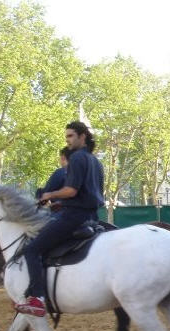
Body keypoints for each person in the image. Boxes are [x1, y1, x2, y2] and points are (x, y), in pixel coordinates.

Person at [15, 121, 104, 316]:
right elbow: (87, 194)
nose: (68, 140)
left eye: (71, 136)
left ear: (82, 136)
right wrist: (60, 204)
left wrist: (48, 196)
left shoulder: (78, 158)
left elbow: (71, 190)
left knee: (32, 249)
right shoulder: (95, 161)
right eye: (67, 137)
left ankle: (37, 299)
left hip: (74, 217)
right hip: (93, 217)